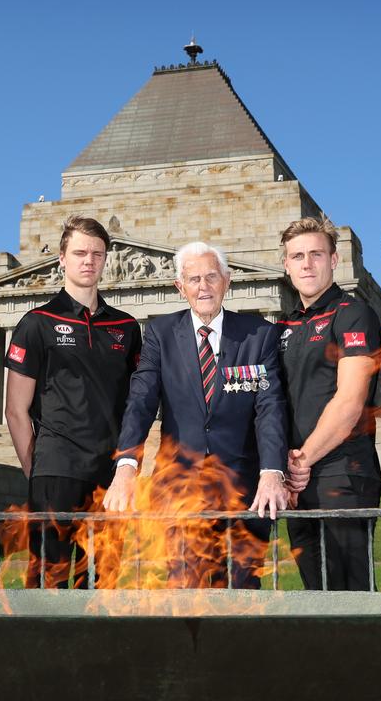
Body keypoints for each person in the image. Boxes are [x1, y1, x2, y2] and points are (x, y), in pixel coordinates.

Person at [104, 241, 288, 588]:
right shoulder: (160, 334)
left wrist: (271, 472)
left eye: (211, 277)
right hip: (179, 489)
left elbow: (269, 407)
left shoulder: (259, 334)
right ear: (180, 286)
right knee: (185, 594)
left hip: (242, 490)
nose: (203, 287)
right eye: (194, 279)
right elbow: (141, 401)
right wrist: (127, 466)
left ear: (227, 281)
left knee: (243, 594)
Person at [4, 216, 141, 588]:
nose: (88, 261)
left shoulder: (126, 328)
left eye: (97, 254)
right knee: (50, 582)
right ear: (61, 258)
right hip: (56, 470)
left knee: (106, 584)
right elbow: (15, 410)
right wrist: (36, 469)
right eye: (79, 252)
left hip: (109, 475)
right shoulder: (37, 323)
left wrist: (128, 465)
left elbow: (136, 404)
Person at [275, 216, 381, 590]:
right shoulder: (284, 327)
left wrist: (302, 461)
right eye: (297, 256)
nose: (307, 263)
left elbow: (350, 401)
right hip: (298, 482)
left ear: (334, 260)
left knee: (350, 597)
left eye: (316, 254)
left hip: (342, 473)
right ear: (286, 265)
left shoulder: (353, 314)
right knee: (315, 593)